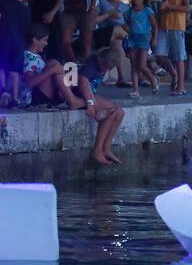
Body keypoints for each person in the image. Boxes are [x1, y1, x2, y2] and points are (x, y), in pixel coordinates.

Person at [22, 23, 125, 165]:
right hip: (35, 97)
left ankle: (104, 148)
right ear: (34, 40)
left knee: (118, 112)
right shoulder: (28, 57)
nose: (46, 44)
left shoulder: (36, 56)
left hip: (56, 93)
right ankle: (82, 106)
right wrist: (51, 71)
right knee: (54, 64)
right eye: (44, 40)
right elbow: (29, 84)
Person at [156, 0, 190, 94]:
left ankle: (181, 86)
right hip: (164, 25)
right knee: (159, 54)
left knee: (178, 56)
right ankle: (173, 73)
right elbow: (162, 8)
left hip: (177, 25)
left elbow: (187, 8)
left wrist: (170, 7)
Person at [125, 0, 159, 97]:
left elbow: (155, 26)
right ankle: (135, 90)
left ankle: (153, 79)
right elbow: (125, 23)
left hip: (143, 39)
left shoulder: (148, 11)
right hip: (132, 39)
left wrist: (154, 38)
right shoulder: (129, 11)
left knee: (142, 65)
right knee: (134, 65)